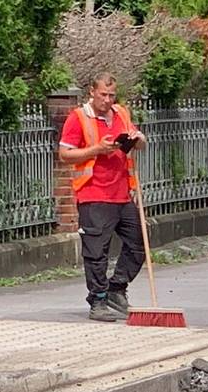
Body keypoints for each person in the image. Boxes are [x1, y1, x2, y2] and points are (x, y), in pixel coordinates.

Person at [57, 74, 145, 321]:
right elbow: (65, 154)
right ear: (92, 93)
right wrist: (97, 150)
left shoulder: (121, 114)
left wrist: (139, 140)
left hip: (122, 192)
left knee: (138, 243)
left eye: (111, 95)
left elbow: (139, 141)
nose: (107, 100)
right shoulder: (79, 118)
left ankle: (117, 288)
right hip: (94, 194)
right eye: (103, 95)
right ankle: (98, 300)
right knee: (96, 252)